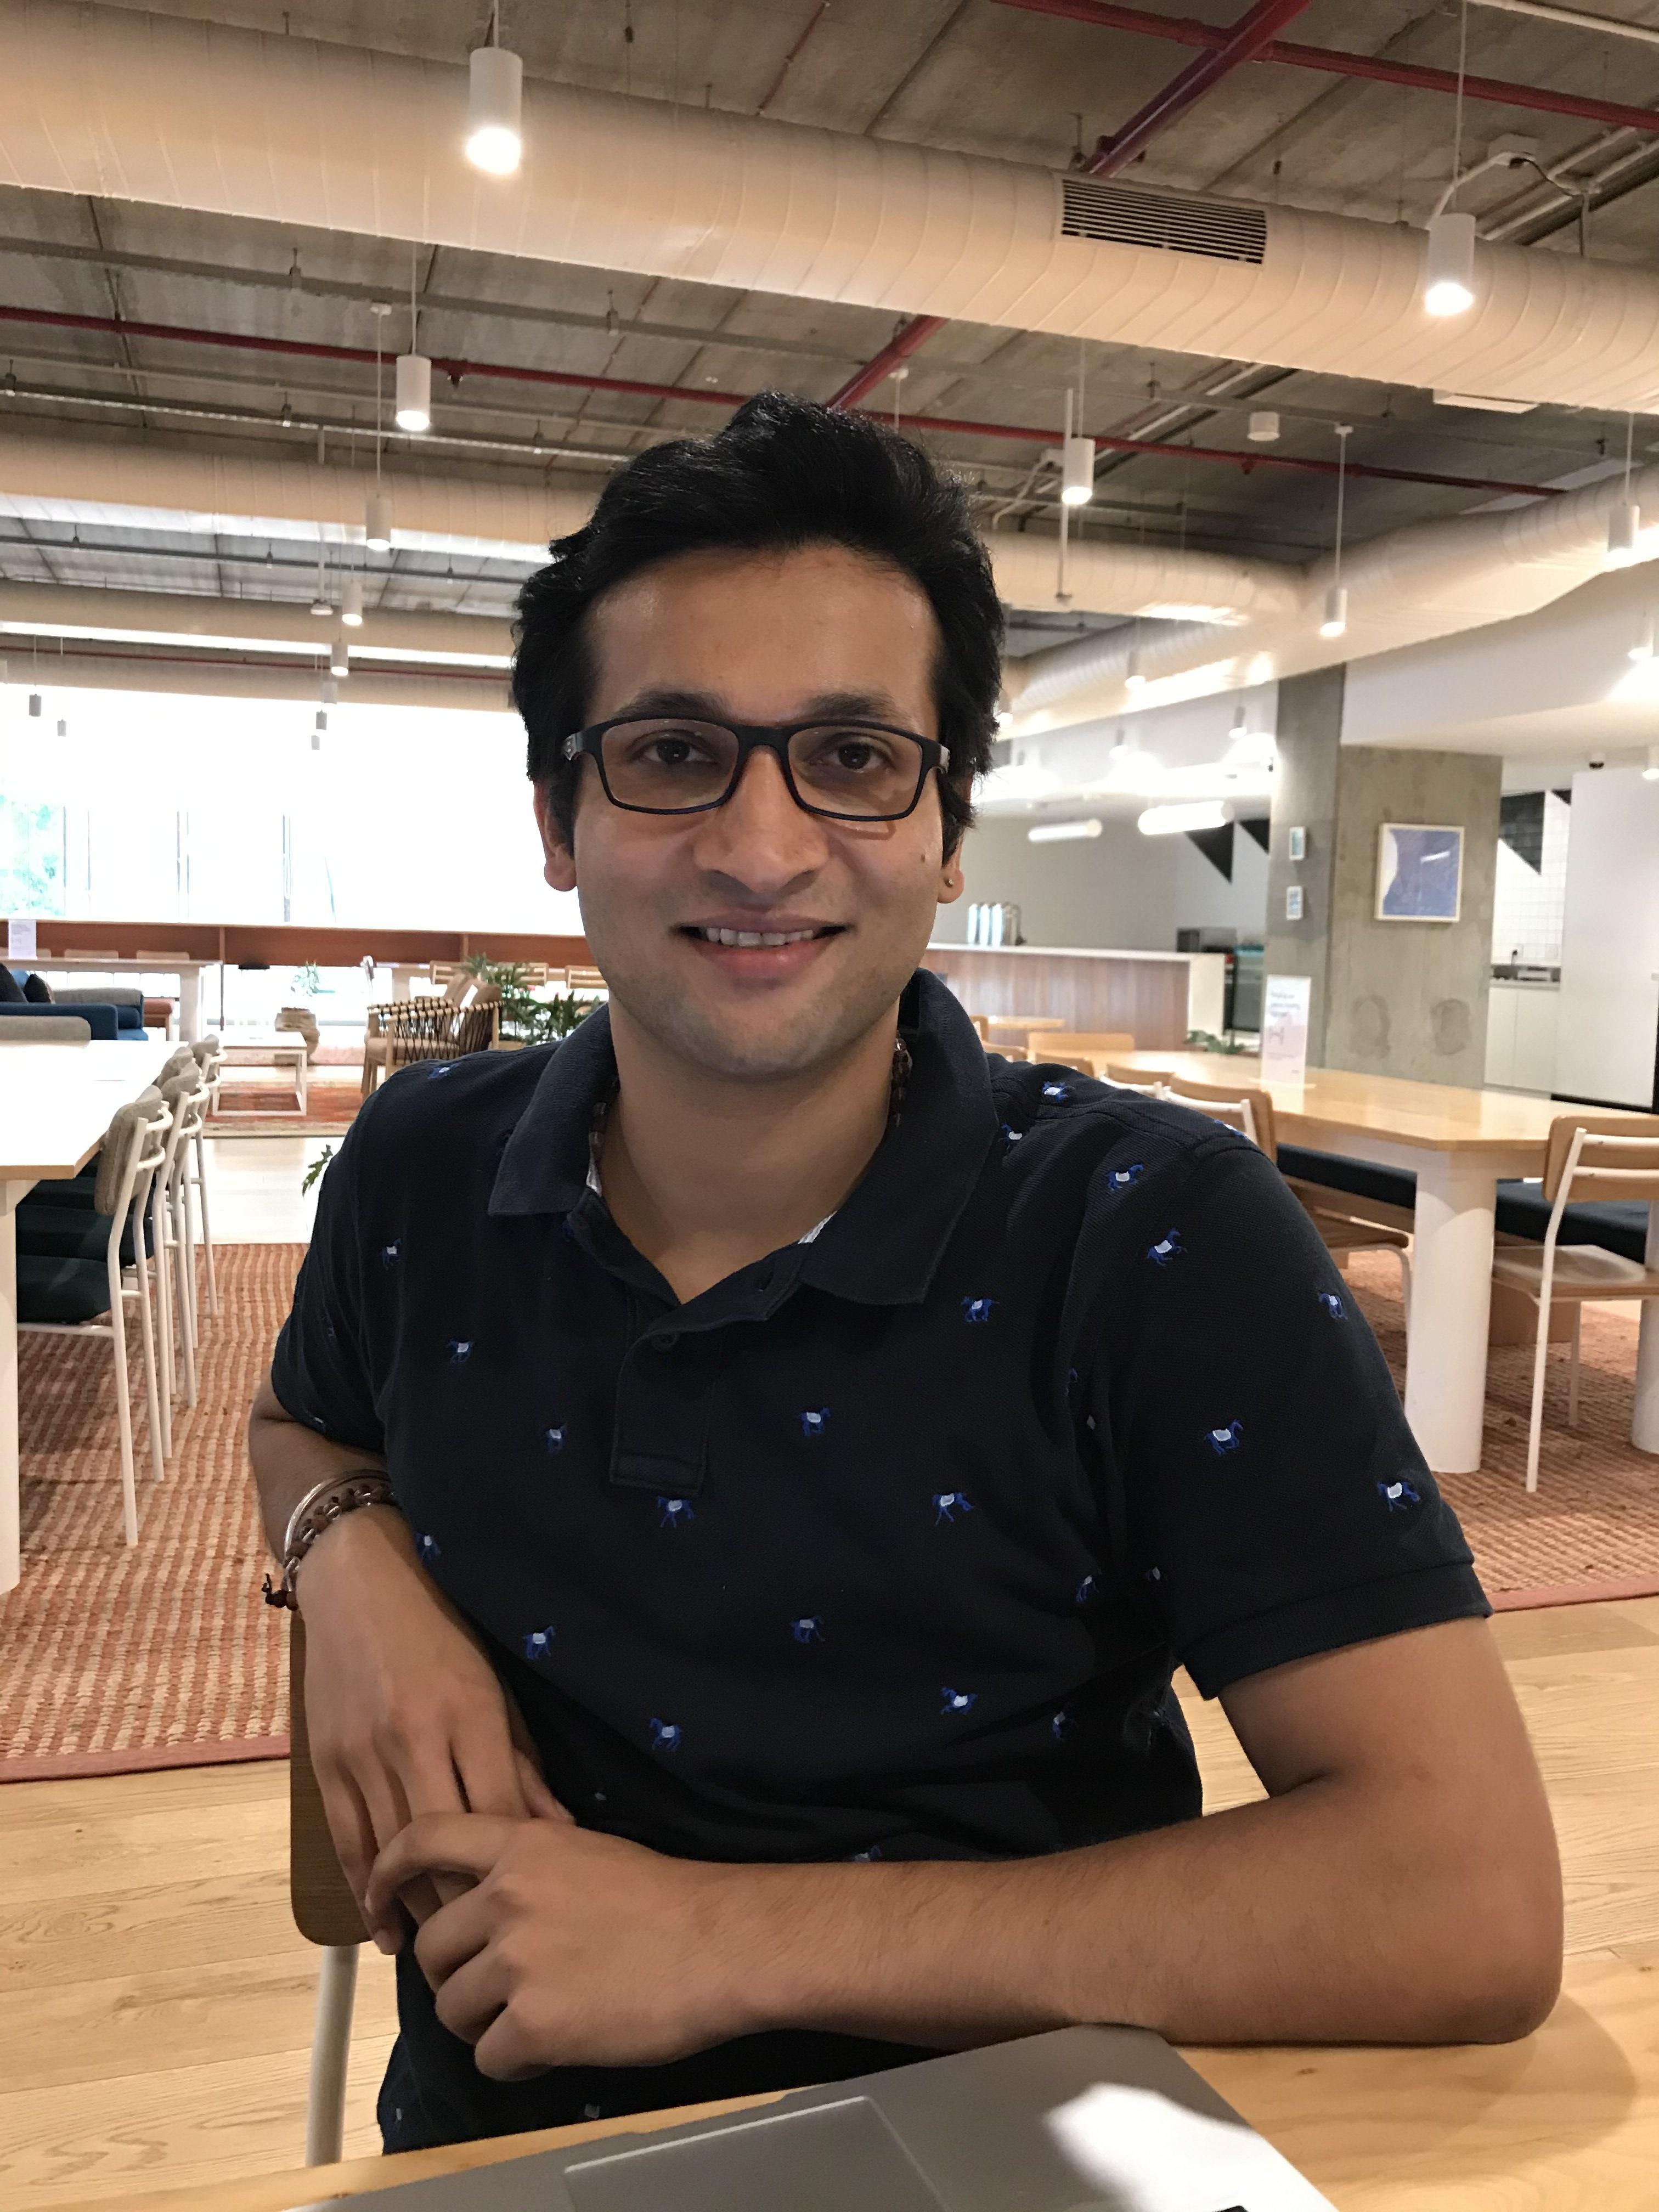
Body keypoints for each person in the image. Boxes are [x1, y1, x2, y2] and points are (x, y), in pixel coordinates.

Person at [250, 392, 1562, 2155]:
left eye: (855, 757)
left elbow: (1463, 1898)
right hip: (512, 2152)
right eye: (672, 752)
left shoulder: (1153, 1234)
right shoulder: (420, 1165)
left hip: (1029, 2141)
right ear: (560, 818)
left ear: (948, 830)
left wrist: (721, 1941)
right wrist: (350, 1561)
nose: (762, 846)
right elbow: (302, 1420)